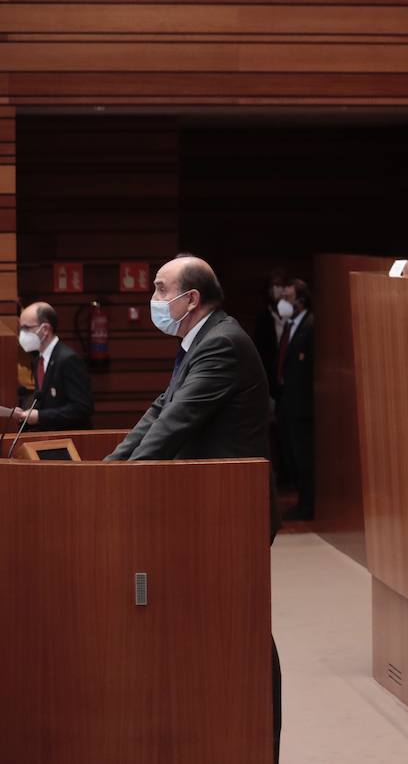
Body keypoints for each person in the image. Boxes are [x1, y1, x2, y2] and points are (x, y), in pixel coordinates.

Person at [102, 254, 282, 761]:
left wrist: (119, 480)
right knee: (220, 626)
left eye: (161, 290)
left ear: (190, 299)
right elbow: (159, 409)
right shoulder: (201, 340)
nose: (154, 300)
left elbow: (175, 426)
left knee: (241, 630)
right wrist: (108, 470)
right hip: (209, 509)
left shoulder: (220, 343)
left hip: (229, 511)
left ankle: (257, 741)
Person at [5, 301, 93, 431]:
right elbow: (44, 400)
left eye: (26, 328)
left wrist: (40, 416)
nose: (22, 334)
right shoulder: (38, 360)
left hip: (70, 439)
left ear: (45, 329)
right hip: (47, 436)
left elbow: (82, 408)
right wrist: (25, 412)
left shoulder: (68, 359)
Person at [274, 279, 315, 522]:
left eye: (288, 298)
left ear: (300, 301)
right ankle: (301, 499)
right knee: (290, 455)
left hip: (302, 406)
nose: (284, 303)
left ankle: (307, 504)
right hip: (286, 402)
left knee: (303, 457)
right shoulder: (289, 326)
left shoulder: (311, 325)